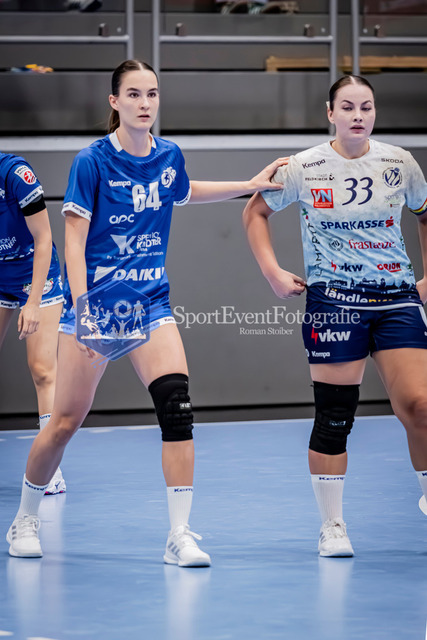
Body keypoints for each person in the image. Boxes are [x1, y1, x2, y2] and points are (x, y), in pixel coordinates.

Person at [6, 59, 286, 564]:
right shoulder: (92, 161)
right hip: (94, 306)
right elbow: (73, 240)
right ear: (114, 102)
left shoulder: (169, 155)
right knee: (64, 422)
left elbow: (186, 191)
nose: (144, 103)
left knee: (177, 407)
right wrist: (84, 307)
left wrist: (250, 184)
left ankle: (179, 535)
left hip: (149, 303)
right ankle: (25, 519)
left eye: (152, 94)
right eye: (133, 94)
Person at [243, 75, 427, 557]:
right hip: (335, 300)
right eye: (347, 107)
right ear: (331, 113)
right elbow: (254, 213)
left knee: (421, 406)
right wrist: (273, 273)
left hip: (396, 297)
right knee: (335, 415)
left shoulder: (400, 162)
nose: (358, 115)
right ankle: (332, 526)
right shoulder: (303, 167)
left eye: (366, 107)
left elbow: (425, 213)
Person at [0, 152, 65, 496]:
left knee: (42, 369)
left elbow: (43, 239)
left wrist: (33, 302)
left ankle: (50, 469)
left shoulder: (15, 174)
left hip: (34, 271)